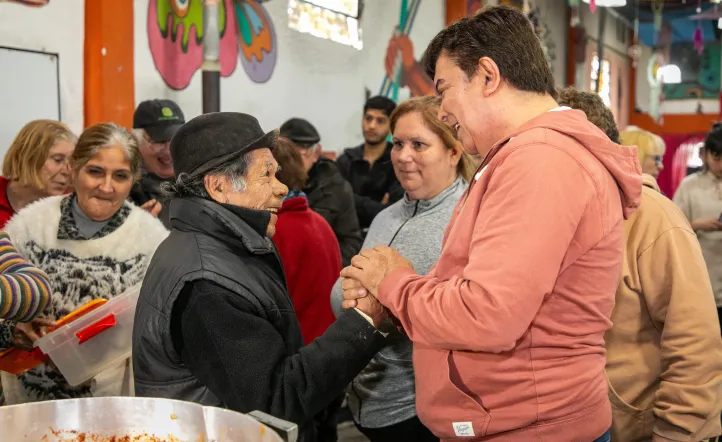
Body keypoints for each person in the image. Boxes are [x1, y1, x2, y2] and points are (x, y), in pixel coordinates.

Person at [340, 6, 642, 441]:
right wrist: (396, 302)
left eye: (444, 90)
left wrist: (394, 282)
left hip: (530, 429)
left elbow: (487, 314)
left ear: (487, 75)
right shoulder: (523, 156)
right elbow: (474, 286)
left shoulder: (541, 160)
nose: (443, 111)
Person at [132, 112, 389, 442]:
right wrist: (363, 320)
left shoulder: (220, 246)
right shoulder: (207, 283)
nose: (282, 187)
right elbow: (275, 401)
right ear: (219, 187)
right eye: (266, 174)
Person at [558, 87, 722, 442]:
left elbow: (695, 343)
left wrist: (678, 432)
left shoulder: (653, 217)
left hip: (636, 427)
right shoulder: (551, 216)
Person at [331, 95, 473, 442]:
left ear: (454, 152)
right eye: (398, 144)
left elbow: (463, 320)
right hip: (370, 403)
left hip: (421, 412)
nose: (403, 156)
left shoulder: (468, 220)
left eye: (418, 145)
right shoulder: (386, 217)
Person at [0, 123, 169, 403]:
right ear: (73, 168)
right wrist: (11, 332)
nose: (106, 186)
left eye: (120, 176)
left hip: (109, 400)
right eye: (95, 172)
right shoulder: (29, 227)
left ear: (133, 179)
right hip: (29, 398)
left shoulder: (151, 240)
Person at [279, 118, 362, 266]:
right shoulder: (268, 185)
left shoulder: (337, 188)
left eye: (302, 152)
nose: (293, 161)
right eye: (287, 155)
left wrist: (324, 267)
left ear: (316, 153)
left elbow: (351, 242)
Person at [674, 126, 722, 331]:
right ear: (705, 154)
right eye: (716, 157)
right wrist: (698, 225)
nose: (721, 164)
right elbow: (673, 227)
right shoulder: (689, 185)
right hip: (702, 270)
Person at [336, 96, 405, 229]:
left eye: (380, 121)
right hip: (347, 233)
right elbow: (337, 201)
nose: (372, 126)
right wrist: (379, 208)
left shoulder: (399, 161)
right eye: (368, 118)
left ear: (391, 127)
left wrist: (353, 201)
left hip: (385, 234)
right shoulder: (346, 160)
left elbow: (397, 211)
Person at [0, 120, 76, 228]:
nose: (67, 171)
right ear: (28, 158)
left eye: (72, 162)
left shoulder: (74, 204)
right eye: (58, 160)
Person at [130, 99, 186, 227]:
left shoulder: (201, 181)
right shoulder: (123, 188)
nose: (168, 150)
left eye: (176, 139)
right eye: (159, 141)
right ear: (136, 141)